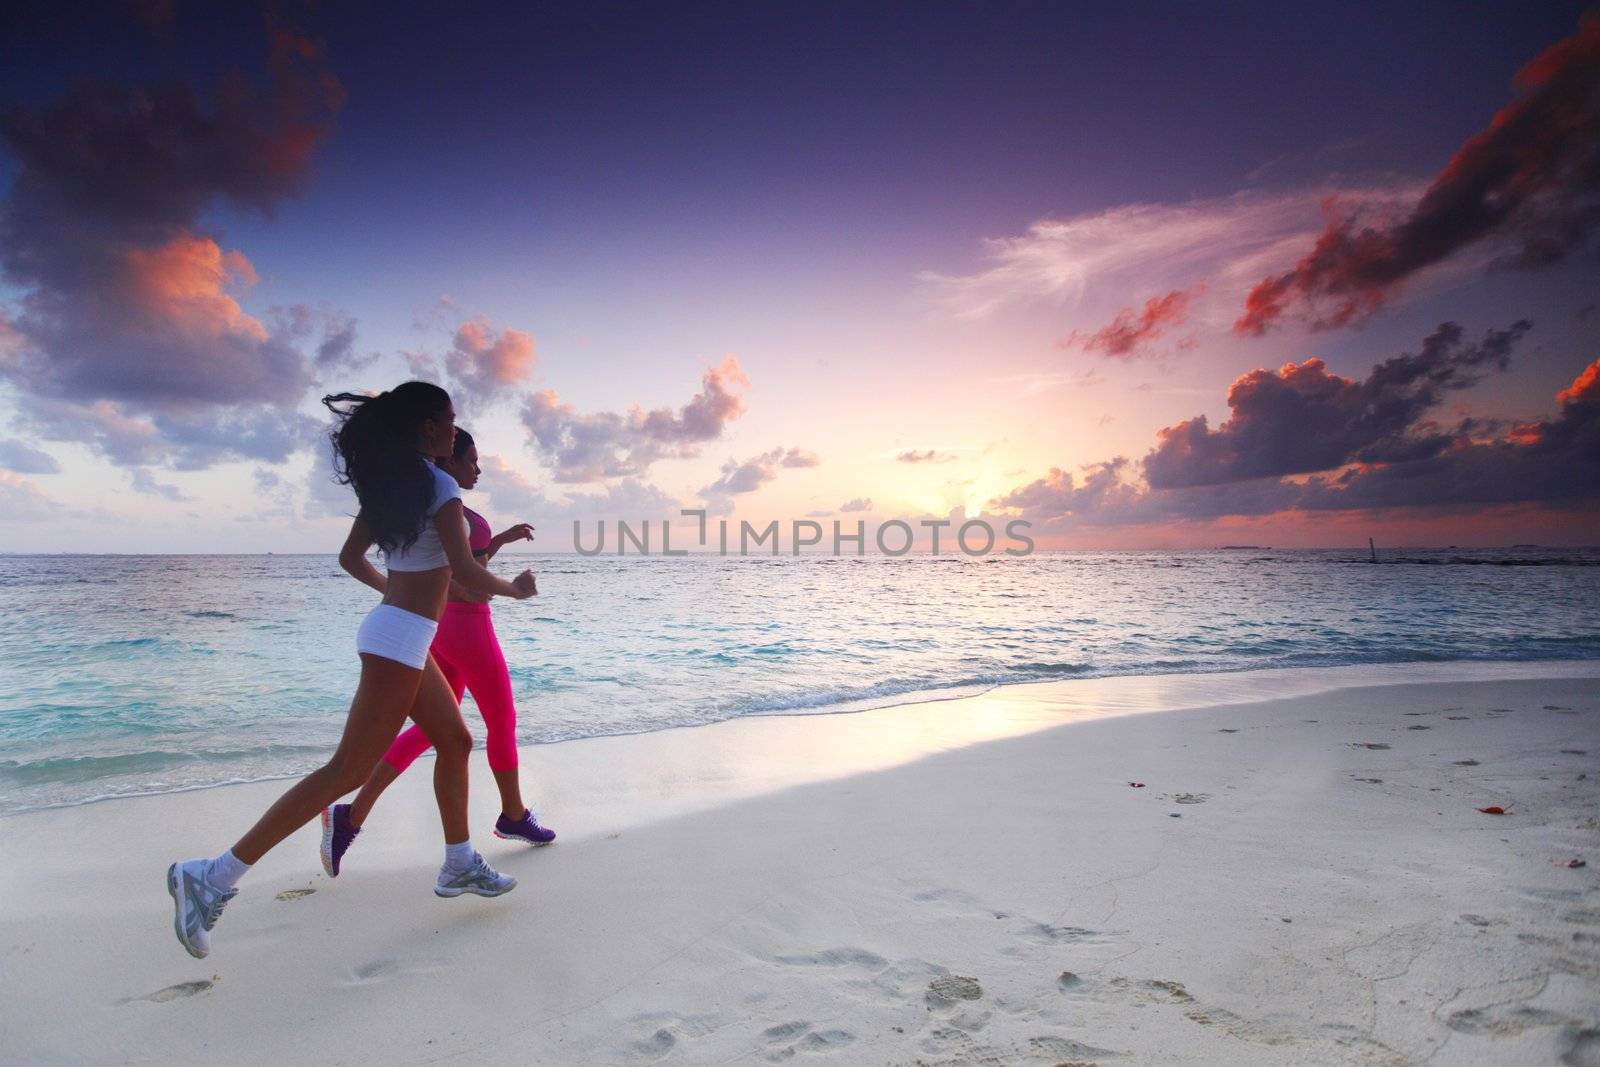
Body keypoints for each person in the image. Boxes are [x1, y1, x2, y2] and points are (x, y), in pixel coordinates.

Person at [166, 382, 537, 959]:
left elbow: (350, 559)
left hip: (398, 633)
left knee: (456, 740)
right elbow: (463, 568)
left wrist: (400, 595)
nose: (453, 429)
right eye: (449, 419)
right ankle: (211, 876)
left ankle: (459, 862)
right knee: (345, 770)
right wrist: (513, 590)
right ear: (427, 428)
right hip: (400, 641)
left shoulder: (392, 485)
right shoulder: (439, 485)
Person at [321, 428, 554, 879]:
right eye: (471, 459)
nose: (477, 468)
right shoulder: (445, 501)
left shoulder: (427, 503)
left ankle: (351, 816)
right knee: (501, 719)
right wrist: (511, 591)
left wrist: (497, 542)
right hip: (468, 628)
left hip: (441, 628)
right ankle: (513, 814)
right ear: (447, 459)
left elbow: (453, 565)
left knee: (435, 731)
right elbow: (461, 578)